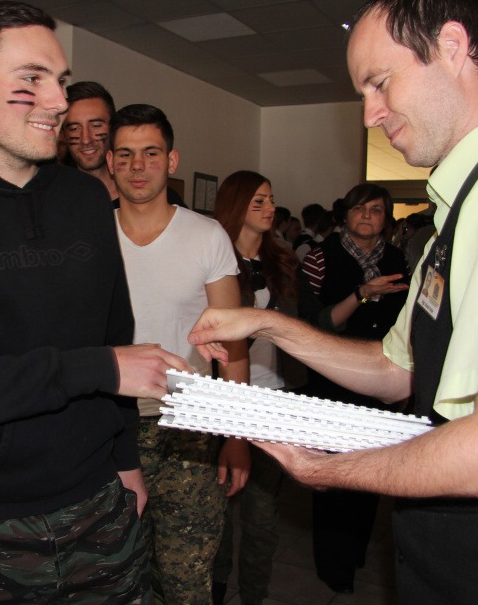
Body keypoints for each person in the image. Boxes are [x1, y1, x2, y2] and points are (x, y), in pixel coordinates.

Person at [187, 0, 478, 604]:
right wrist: (267, 324)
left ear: (451, 46)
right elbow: (397, 369)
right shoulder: (464, 208)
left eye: (380, 82)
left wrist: (328, 467)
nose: (370, 114)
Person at [0, 0, 188, 604]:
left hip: (99, 497)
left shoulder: (84, 200)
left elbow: (114, 334)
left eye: (61, 81)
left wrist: (125, 459)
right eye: (31, 80)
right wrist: (100, 368)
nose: (57, 101)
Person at [109, 104, 250, 604]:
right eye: (125, 154)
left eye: (151, 153)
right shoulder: (91, 236)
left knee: (185, 579)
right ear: (110, 161)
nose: (137, 166)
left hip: (187, 430)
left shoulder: (206, 237)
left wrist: (236, 436)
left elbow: (233, 344)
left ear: (171, 161)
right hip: (110, 424)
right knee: (116, 573)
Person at [298, 183, 408, 594]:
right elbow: (315, 324)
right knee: (333, 476)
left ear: (386, 219)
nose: (367, 216)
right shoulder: (319, 257)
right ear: (344, 215)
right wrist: (363, 294)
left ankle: (357, 549)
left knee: (372, 473)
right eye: (360, 209)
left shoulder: (397, 259)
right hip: (333, 380)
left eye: (376, 210)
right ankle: (334, 567)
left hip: (381, 383)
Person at [209, 171, 300, 605]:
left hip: (273, 399)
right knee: (218, 513)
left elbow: (305, 325)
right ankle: (216, 589)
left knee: (262, 516)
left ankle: (253, 595)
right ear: (236, 205)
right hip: (223, 401)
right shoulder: (216, 262)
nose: (270, 208)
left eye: (271, 200)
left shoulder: (282, 261)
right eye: (258, 201)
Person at [63, 81, 185, 208]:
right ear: (63, 134)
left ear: (113, 129)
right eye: (74, 128)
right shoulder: (58, 200)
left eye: (96, 126)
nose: (86, 139)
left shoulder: (165, 201)